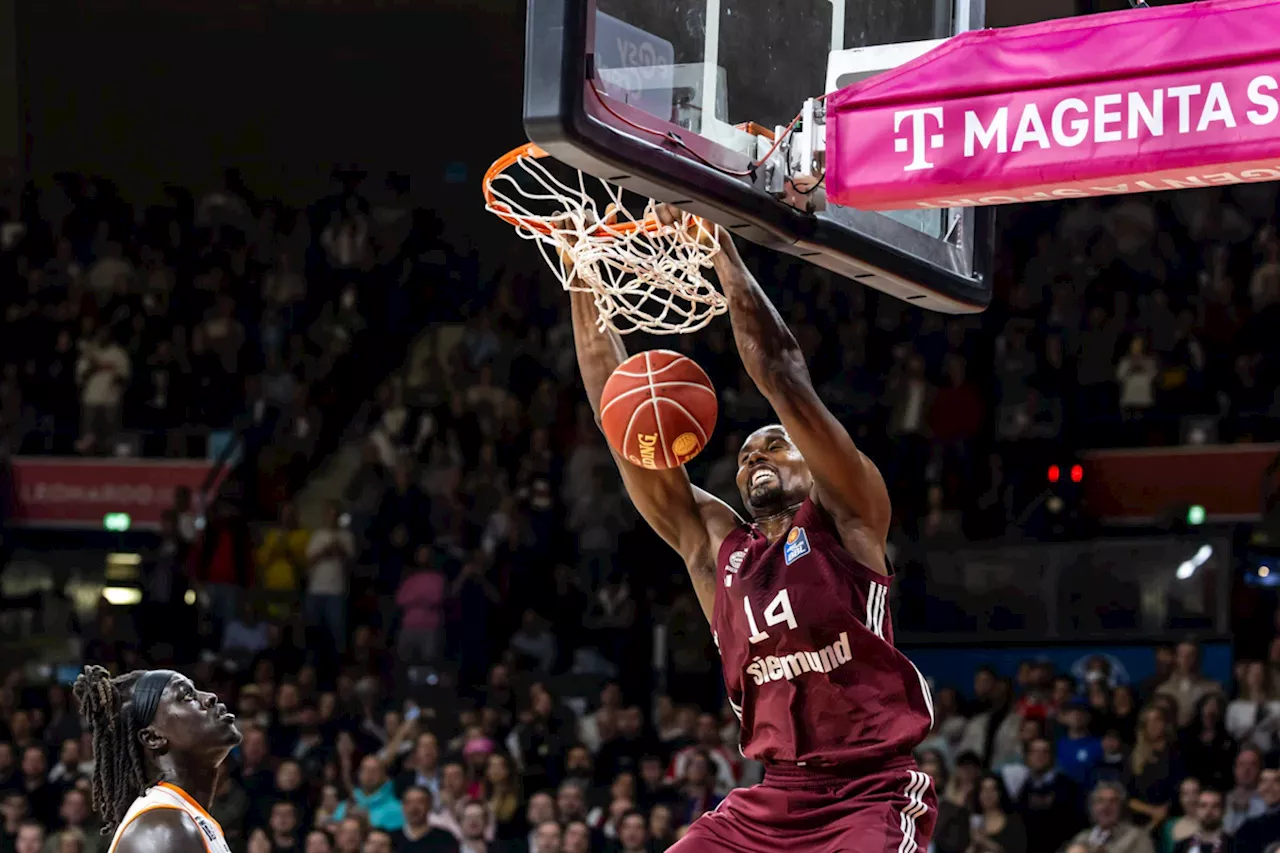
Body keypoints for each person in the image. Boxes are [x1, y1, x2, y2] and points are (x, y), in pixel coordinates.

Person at [569, 212, 936, 851]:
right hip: (771, 798)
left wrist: (720, 247)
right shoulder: (720, 550)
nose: (754, 459)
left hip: (870, 791)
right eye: (743, 457)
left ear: (812, 461)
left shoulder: (848, 517)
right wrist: (580, 273)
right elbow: (618, 416)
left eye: (773, 446)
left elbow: (782, 374)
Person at [72, 665, 242, 853]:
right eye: (187, 696)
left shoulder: (182, 818)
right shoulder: (162, 829)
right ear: (153, 738)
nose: (210, 697)